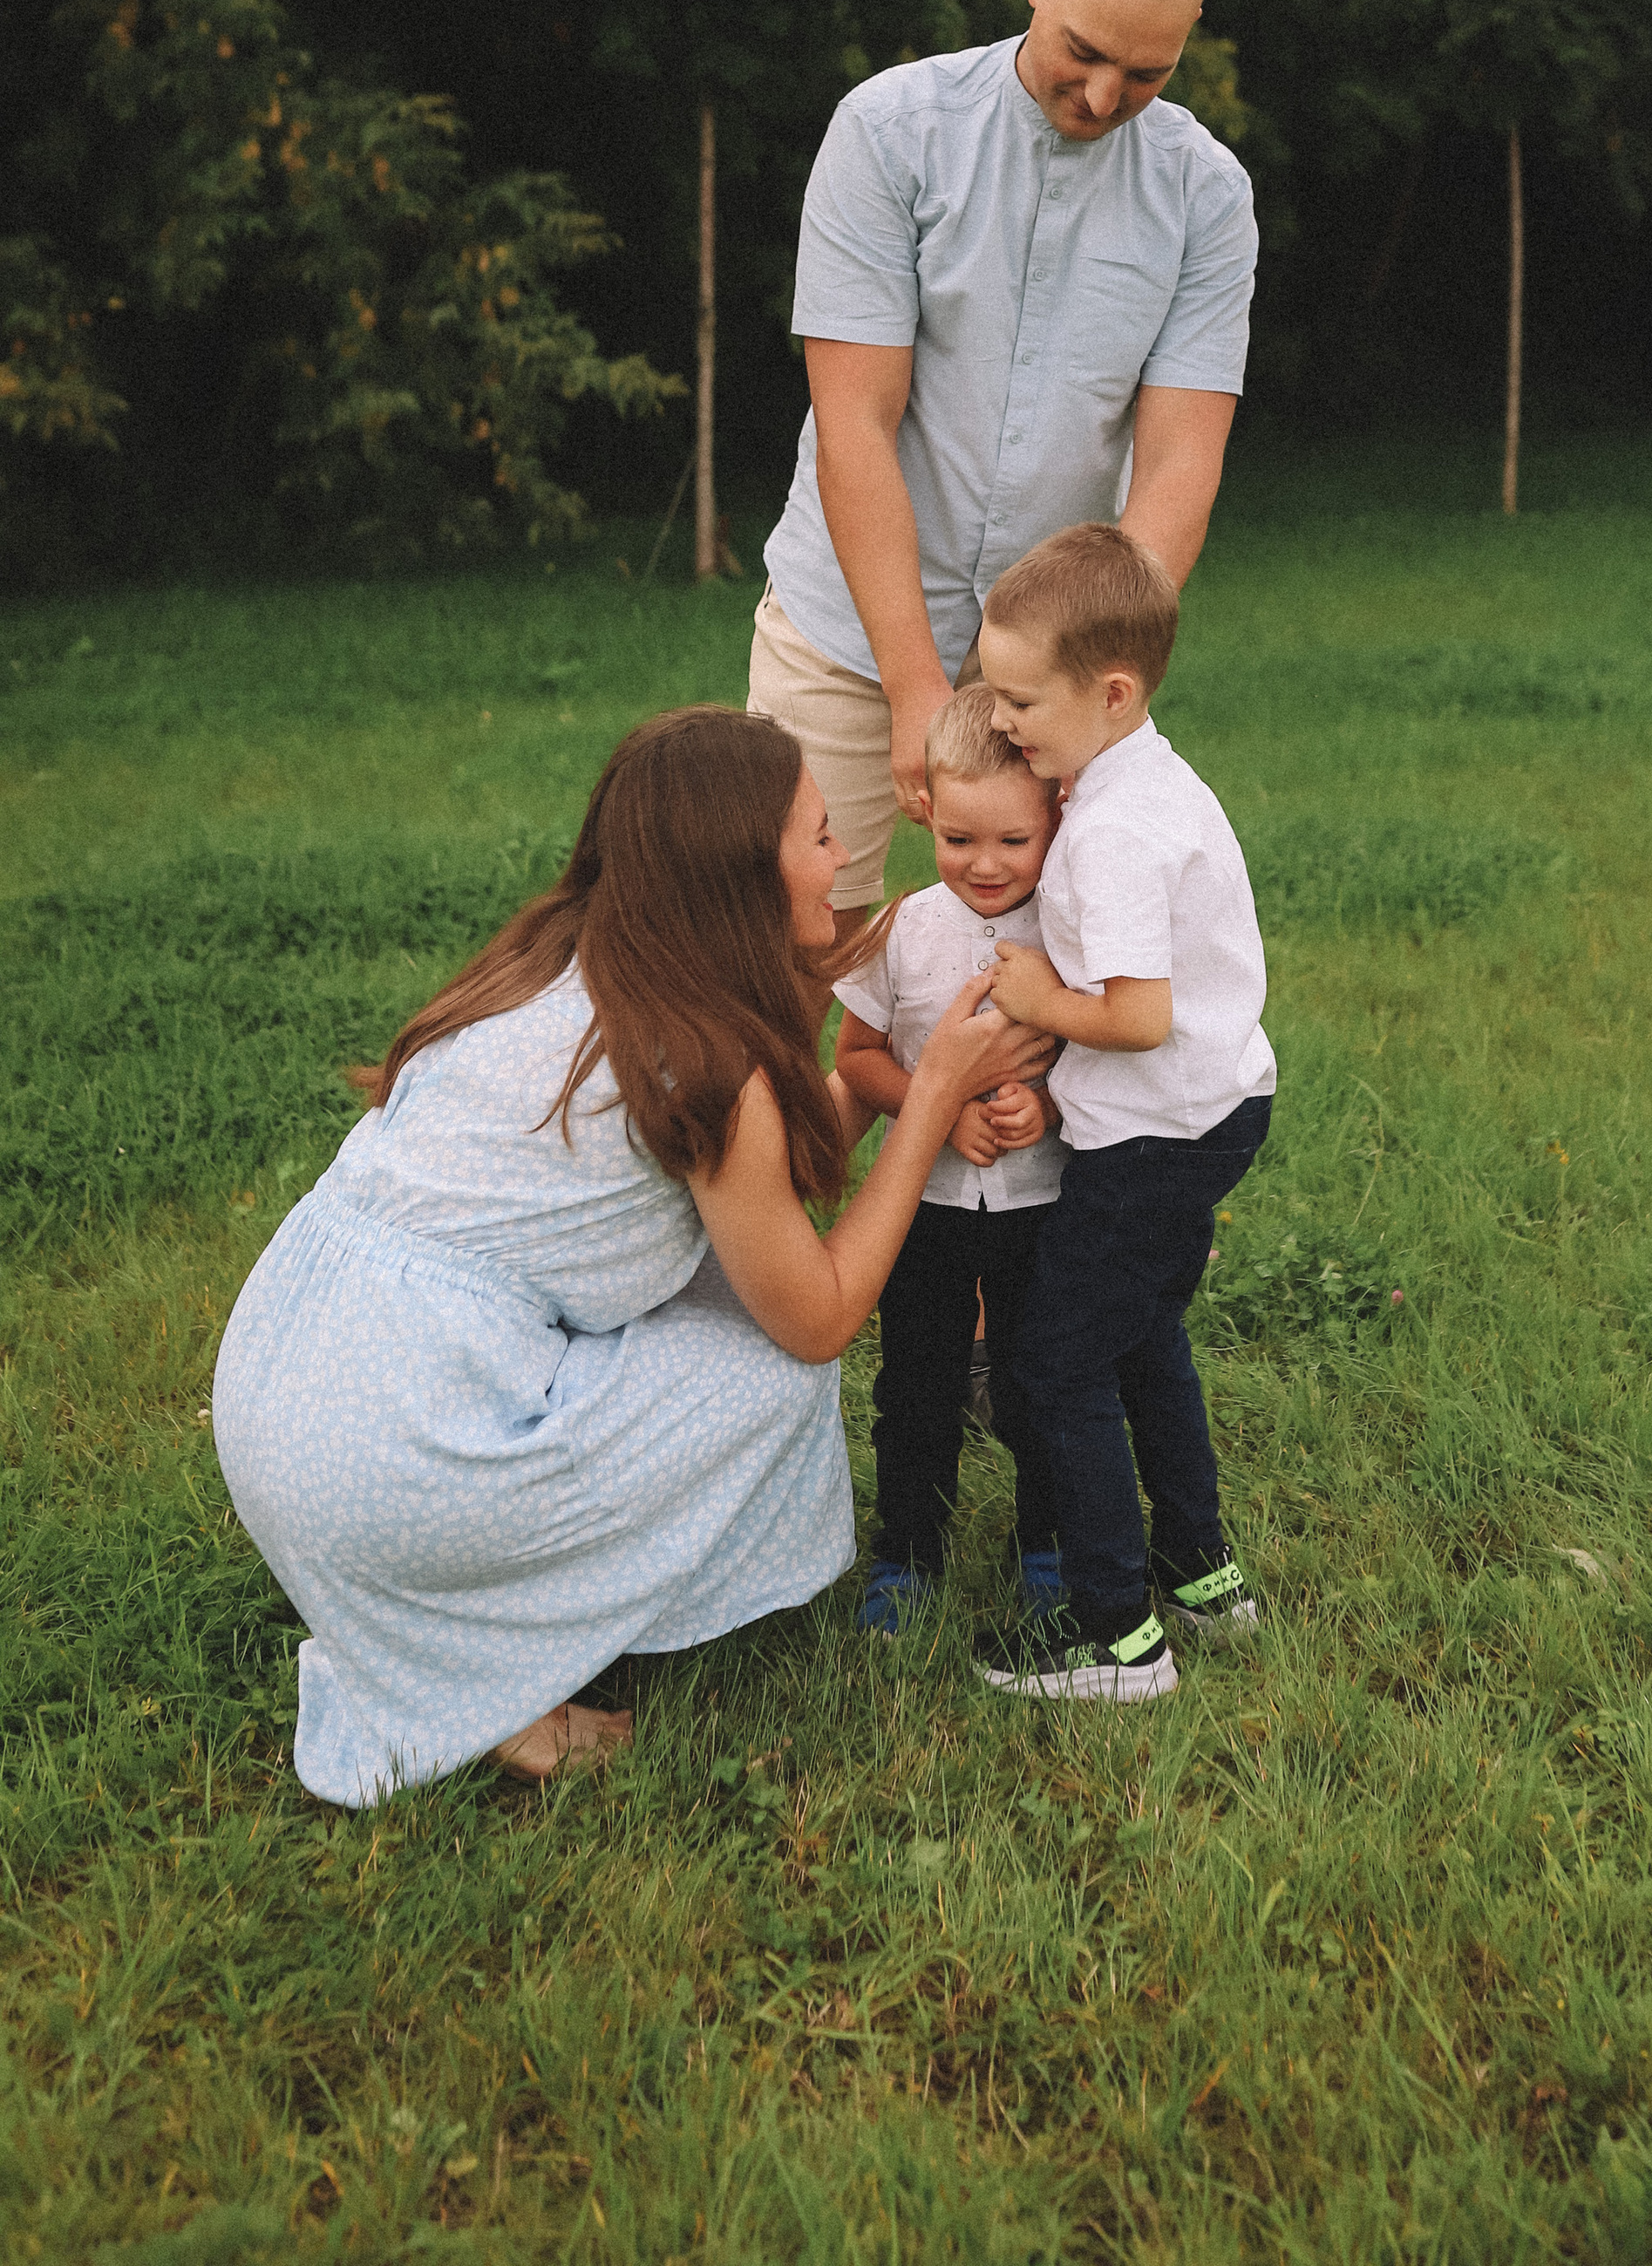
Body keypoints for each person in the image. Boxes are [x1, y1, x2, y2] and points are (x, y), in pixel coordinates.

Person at [210, 707, 1053, 1803]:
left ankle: (457, 1605)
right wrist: (933, 1093)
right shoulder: (702, 1061)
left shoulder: (548, 966)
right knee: (771, 1372)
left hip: (282, 1392)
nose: (840, 856)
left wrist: (878, 1081)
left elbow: (761, 1198)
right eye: (813, 835)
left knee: (723, 1298)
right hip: (400, 1460)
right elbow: (822, 1313)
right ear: (741, 875)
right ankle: (508, 1677)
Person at [749, 0, 1255, 922]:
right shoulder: (888, 134)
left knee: (1045, 976)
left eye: (1145, 73)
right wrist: (912, 690)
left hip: (1057, 668)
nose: (1105, 96)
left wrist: (1089, 681)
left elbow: (1178, 464)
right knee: (790, 951)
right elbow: (854, 424)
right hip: (847, 629)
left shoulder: (1207, 195)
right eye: (1084, 52)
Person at [972, 524, 1276, 1705]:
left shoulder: (1108, 830)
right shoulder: (1146, 771)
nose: (1003, 724)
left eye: (1020, 701)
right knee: (1144, 1337)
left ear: (1110, 692)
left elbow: (1138, 1015)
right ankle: (1205, 1578)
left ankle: (1116, 1639)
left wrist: (1043, 997)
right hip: (1215, 1108)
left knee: (1054, 1364)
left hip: (1155, 1133)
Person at [831, 685, 1067, 1636]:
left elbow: (1103, 1055)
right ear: (924, 808)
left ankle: (1049, 1545)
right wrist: (933, 1113)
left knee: (1041, 1381)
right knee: (916, 1386)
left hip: (1041, 1205)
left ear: (1054, 814)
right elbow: (857, 1060)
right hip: (924, 1208)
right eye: (959, 838)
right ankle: (907, 1554)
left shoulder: (1070, 929)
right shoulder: (903, 929)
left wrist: (1042, 1104)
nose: (984, 864)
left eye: (1013, 841)